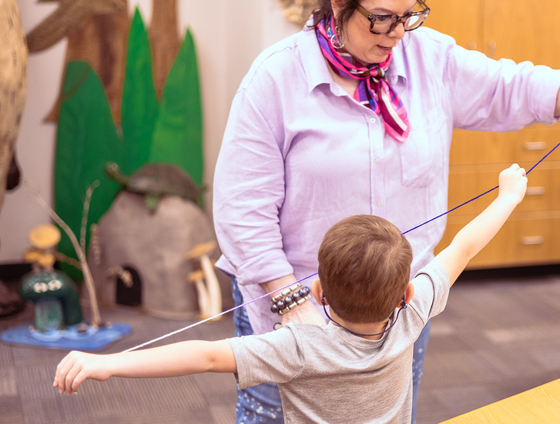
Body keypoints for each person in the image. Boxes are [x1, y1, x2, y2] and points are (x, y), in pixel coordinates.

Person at [212, 0, 560, 423]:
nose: (396, 35)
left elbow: (508, 87)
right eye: (380, 20)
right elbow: (244, 208)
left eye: (407, 17)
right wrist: (292, 305)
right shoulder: (276, 78)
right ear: (338, 4)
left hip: (394, 308)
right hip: (295, 308)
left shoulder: (428, 56)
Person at [53, 164, 529, 424]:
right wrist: (507, 196)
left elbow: (203, 356)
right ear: (405, 292)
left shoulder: (298, 346)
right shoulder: (412, 314)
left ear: (317, 291)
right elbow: (463, 245)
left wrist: (106, 363)